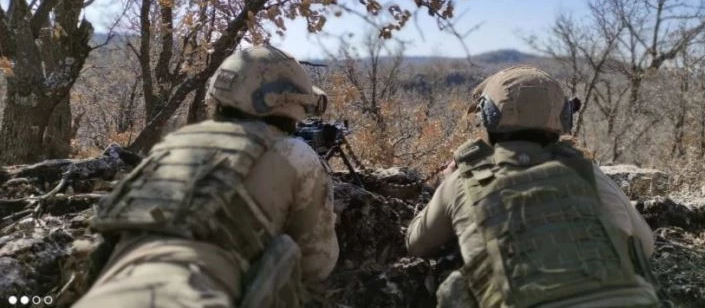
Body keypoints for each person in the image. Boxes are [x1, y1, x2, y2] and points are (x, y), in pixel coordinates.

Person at [72, 45, 339, 308]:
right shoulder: (294, 153)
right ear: (287, 103)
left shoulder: (176, 143)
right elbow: (316, 264)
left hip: (112, 286)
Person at [405, 66, 663, 308]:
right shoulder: (588, 173)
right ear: (563, 116)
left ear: (487, 115)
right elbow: (646, 246)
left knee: (455, 281)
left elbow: (417, 244)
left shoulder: (466, 179)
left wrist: (446, 185)